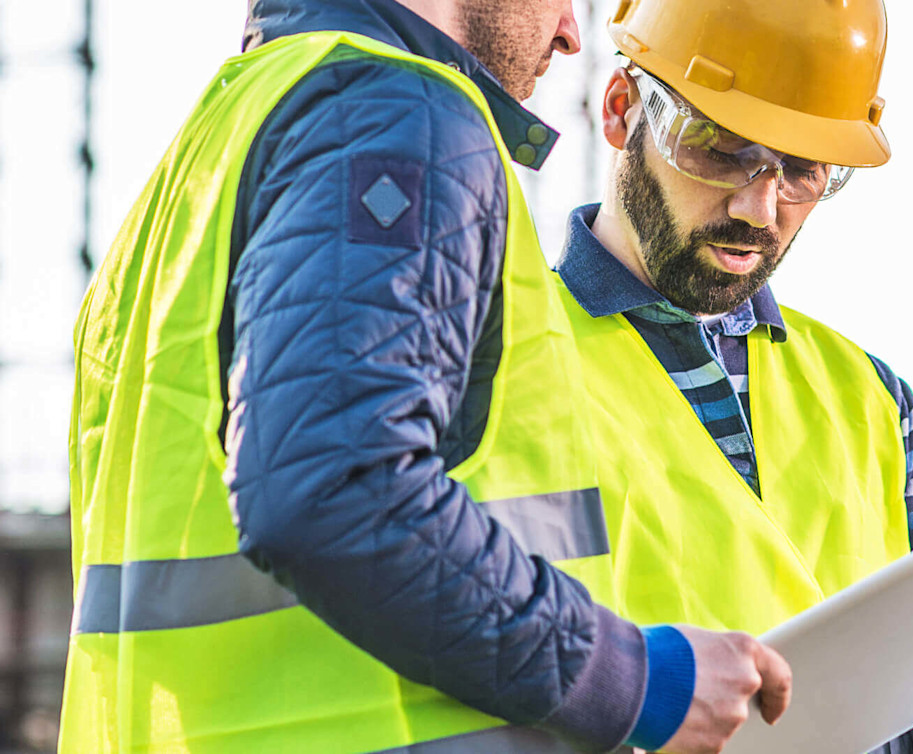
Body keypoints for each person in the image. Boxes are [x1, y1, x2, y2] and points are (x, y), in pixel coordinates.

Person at [62, 0, 790, 752]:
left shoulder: (220, 144)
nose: (571, 32)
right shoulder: (395, 117)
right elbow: (334, 487)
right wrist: (634, 679)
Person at [544, 0, 913, 752]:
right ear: (621, 109)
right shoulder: (505, 362)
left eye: (802, 172)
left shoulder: (869, 397)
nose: (759, 208)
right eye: (720, 148)